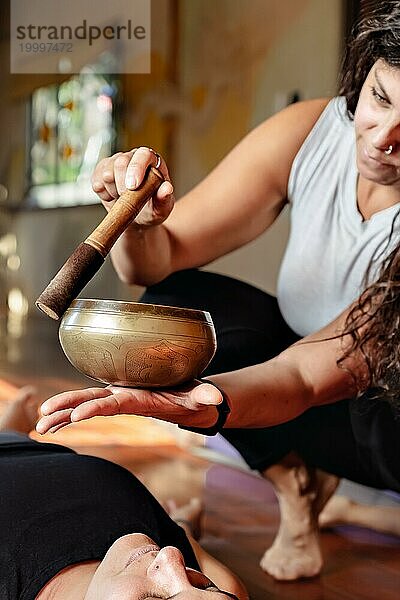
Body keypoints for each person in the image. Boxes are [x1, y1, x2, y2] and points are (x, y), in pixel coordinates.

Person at [38, 0, 400, 582]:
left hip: (382, 420)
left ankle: (334, 493)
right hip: (309, 383)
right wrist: (135, 218)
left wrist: (208, 403)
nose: (383, 138)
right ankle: (298, 488)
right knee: (182, 303)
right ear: (366, 74)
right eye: (381, 98)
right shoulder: (314, 130)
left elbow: (307, 377)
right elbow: (160, 261)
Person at [0, 387, 248, 600]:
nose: (171, 555)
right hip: (39, 459)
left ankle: (8, 429)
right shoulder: (222, 585)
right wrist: (182, 526)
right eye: (204, 587)